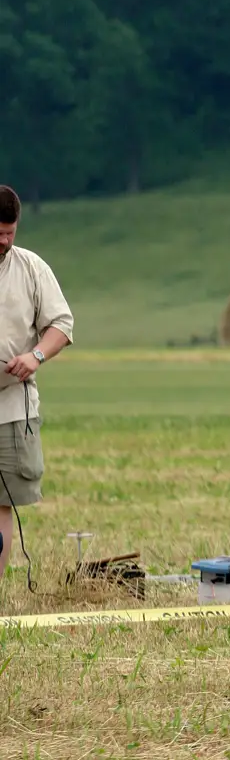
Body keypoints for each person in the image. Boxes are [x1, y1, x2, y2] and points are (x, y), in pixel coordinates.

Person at [0, 185, 74, 576]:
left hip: (13, 408)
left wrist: (36, 355)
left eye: (10, 232)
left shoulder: (31, 267)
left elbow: (61, 324)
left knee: (3, 502)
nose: (3, 240)